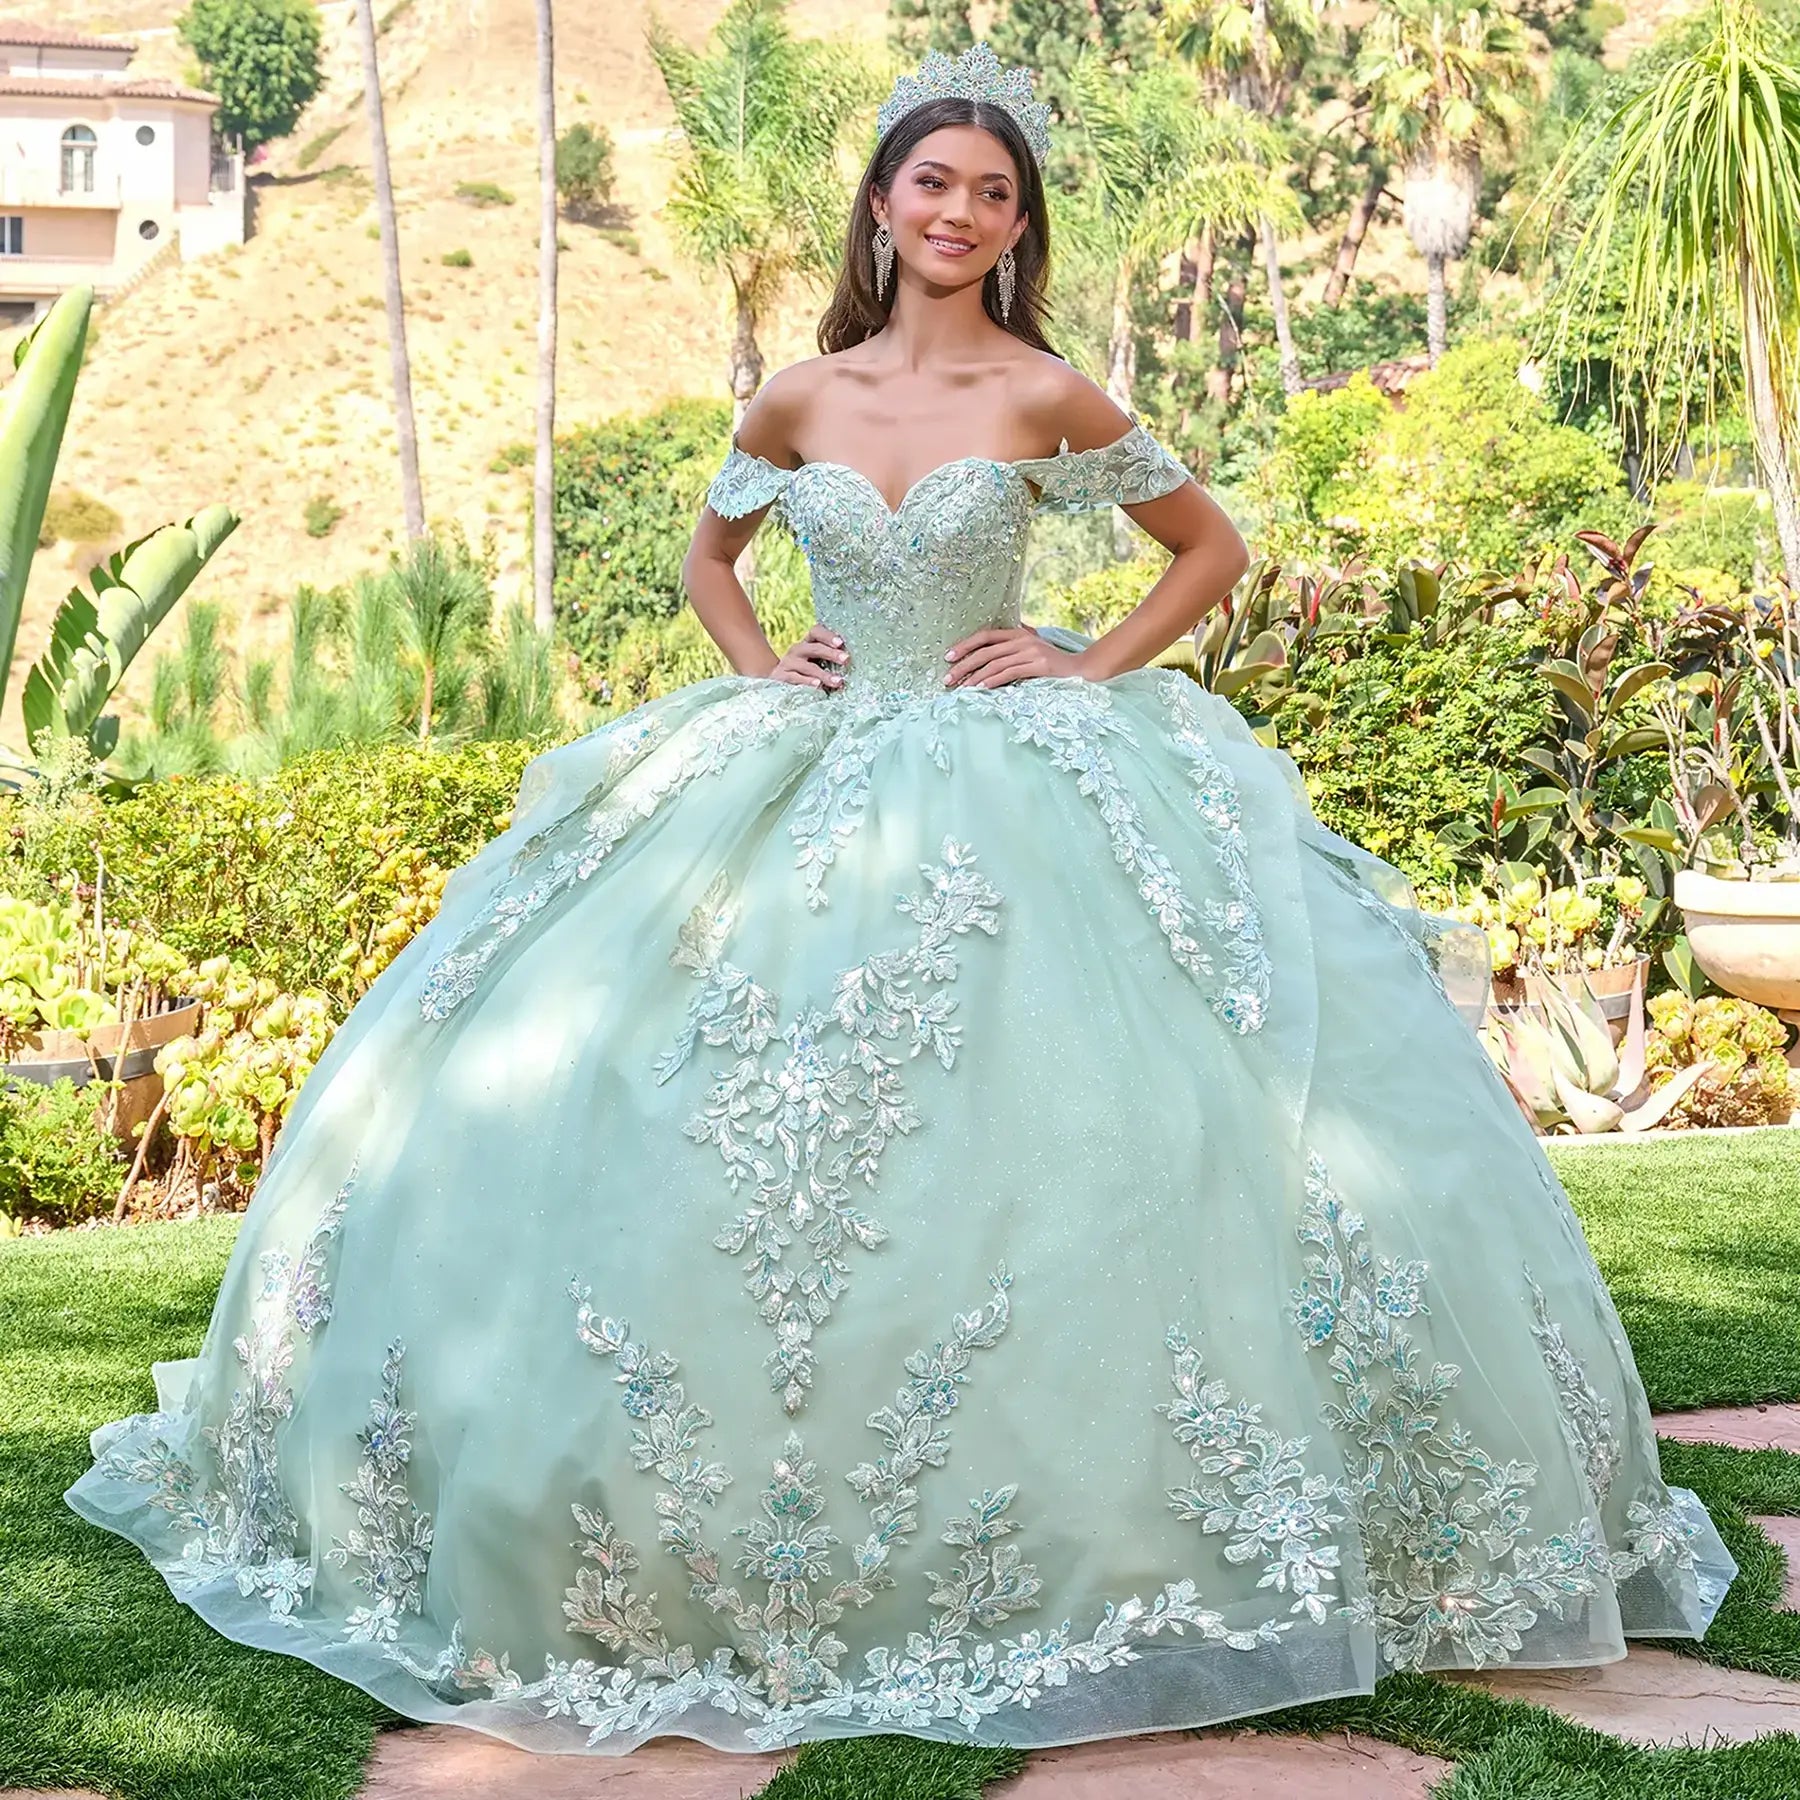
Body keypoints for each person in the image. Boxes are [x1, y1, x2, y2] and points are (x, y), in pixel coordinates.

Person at [68, 41, 1734, 1759]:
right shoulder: (798, 394)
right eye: (935, 182)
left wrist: (1085, 661)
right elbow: (715, 557)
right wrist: (762, 670)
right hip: (806, 762)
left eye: (994, 194)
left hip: (1009, 773)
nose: (961, 213)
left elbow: (1210, 547)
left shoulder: (1044, 394)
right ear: (882, 201)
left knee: (1083, 1131)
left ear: (1017, 230)